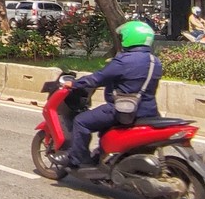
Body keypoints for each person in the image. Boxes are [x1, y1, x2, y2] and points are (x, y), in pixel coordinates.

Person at [56, 19, 161, 169]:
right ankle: (104, 155)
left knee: (81, 121)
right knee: (103, 127)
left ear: (129, 38)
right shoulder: (155, 62)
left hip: (122, 111)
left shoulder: (123, 61)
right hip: (149, 112)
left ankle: (78, 159)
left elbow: (97, 79)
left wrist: (74, 84)